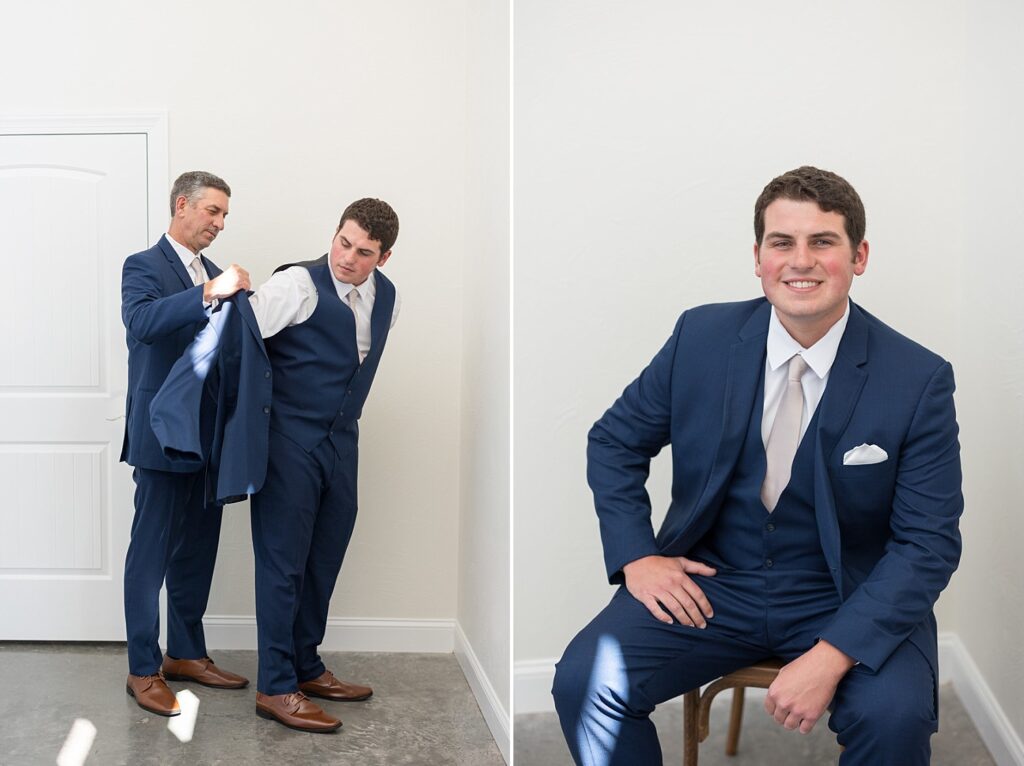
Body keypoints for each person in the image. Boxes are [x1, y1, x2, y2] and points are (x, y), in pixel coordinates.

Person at [552, 166, 963, 765]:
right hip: (715, 584)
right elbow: (614, 440)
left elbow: (927, 544)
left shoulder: (917, 378)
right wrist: (637, 556)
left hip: (849, 592)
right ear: (758, 257)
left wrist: (832, 654)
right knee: (586, 681)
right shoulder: (701, 337)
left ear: (860, 256)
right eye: (782, 243)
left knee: (894, 717)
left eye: (823, 241)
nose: (801, 261)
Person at [245, 198, 401, 732]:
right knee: (282, 564)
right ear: (334, 234)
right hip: (287, 439)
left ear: (383, 257)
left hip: (342, 442)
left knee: (323, 559)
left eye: (363, 252)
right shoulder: (296, 285)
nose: (347, 258)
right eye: (343, 242)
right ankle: (275, 685)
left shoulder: (387, 297)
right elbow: (237, 342)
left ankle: (305, 665)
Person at [120, 171, 252, 716]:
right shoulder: (143, 266)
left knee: (198, 551)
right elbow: (142, 321)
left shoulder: (221, 273)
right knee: (150, 555)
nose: (219, 223)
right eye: (212, 212)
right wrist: (207, 293)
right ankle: (143, 668)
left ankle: (187, 653)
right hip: (160, 437)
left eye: (225, 215)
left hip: (209, 441)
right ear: (182, 205)